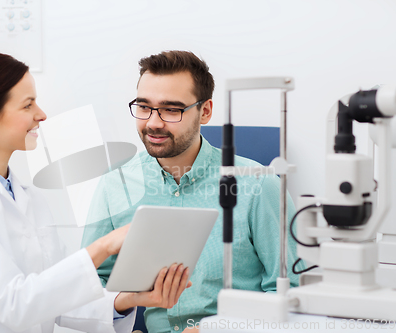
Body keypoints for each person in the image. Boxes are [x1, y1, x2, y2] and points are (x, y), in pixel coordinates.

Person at [0, 52, 192, 333]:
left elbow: (58, 298)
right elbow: (14, 304)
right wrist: (105, 246)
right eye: (27, 105)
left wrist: (128, 300)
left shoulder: (29, 198)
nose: (41, 114)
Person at [81, 50, 302, 333]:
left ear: (205, 111)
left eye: (172, 109)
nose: (153, 123)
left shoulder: (259, 185)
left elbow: (290, 293)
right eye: (144, 106)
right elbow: (90, 285)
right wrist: (123, 307)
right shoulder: (116, 184)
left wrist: (221, 329)